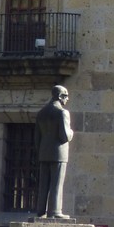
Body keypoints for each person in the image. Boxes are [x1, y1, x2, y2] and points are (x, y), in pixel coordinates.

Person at [36, 85, 73, 218]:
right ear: (60, 96)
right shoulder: (62, 112)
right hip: (58, 153)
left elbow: (37, 138)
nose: (67, 99)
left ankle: (41, 211)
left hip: (44, 152)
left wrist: (40, 151)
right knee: (57, 182)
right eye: (66, 96)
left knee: (44, 183)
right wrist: (72, 133)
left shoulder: (41, 113)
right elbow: (64, 136)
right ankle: (55, 211)